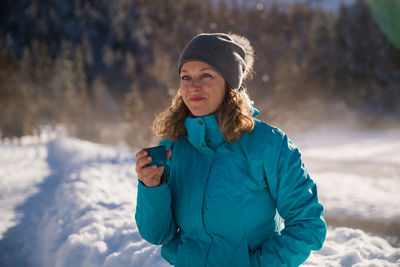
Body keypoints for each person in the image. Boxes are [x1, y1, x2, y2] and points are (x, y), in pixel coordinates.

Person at [135, 33, 326, 267]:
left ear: (229, 84)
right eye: (186, 77)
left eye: (206, 75)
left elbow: (308, 225)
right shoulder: (173, 144)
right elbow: (157, 235)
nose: (192, 86)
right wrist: (152, 188)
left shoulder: (270, 145)